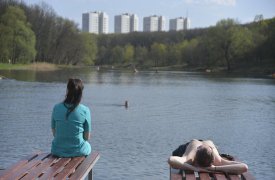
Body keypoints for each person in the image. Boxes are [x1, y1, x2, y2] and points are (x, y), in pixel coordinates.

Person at [51, 78, 92, 157]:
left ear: (67, 90)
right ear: (81, 93)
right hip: (78, 151)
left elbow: (54, 133)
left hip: (57, 150)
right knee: (88, 146)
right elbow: (87, 137)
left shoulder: (56, 107)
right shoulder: (85, 110)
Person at [168, 139, 248, 174]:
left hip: (208, 145)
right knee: (174, 153)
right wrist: (195, 169)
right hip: (190, 145)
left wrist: (214, 168)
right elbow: (171, 159)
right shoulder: (190, 157)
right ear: (195, 159)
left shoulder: (217, 160)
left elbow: (244, 167)